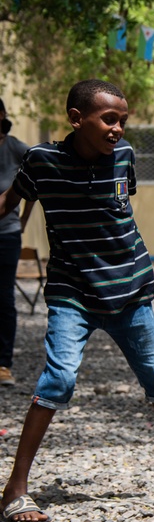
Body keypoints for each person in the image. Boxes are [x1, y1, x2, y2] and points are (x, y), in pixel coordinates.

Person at [0, 80, 154, 522]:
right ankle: (15, 488)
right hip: (72, 290)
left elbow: (119, 208)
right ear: (77, 119)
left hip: (129, 288)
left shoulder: (125, 157)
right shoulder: (41, 161)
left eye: (123, 120)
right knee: (58, 379)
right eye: (108, 119)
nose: (118, 128)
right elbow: (14, 199)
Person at [0, 98, 34, 386]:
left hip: (6, 235)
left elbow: (36, 182)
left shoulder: (17, 148)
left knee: (4, 298)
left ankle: (3, 364)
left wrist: (23, 220)